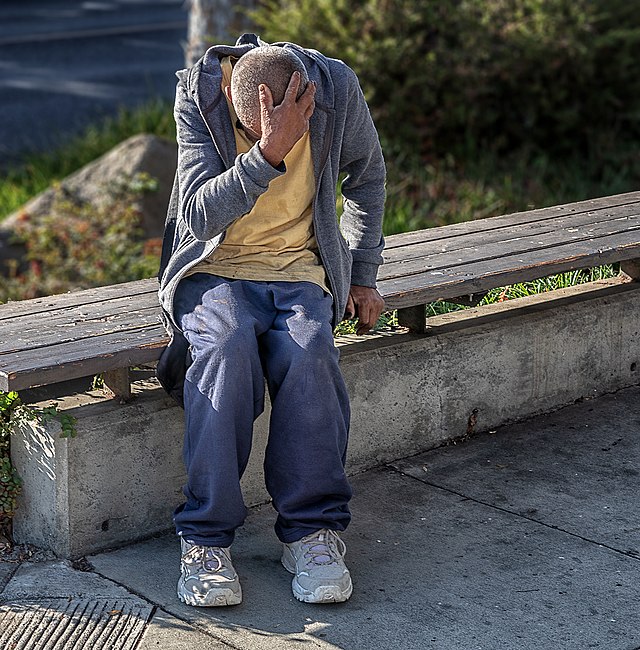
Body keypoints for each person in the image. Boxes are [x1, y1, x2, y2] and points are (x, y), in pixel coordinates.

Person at [156, 33, 386, 607]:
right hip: (214, 270)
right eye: (246, 126)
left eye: (270, 123)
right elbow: (198, 214)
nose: (253, 132)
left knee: (311, 352)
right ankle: (205, 539)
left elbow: (367, 177)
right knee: (226, 349)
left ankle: (311, 533)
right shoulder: (200, 94)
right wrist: (267, 156)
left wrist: (362, 272)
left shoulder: (336, 91)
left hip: (300, 270)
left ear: (303, 99)